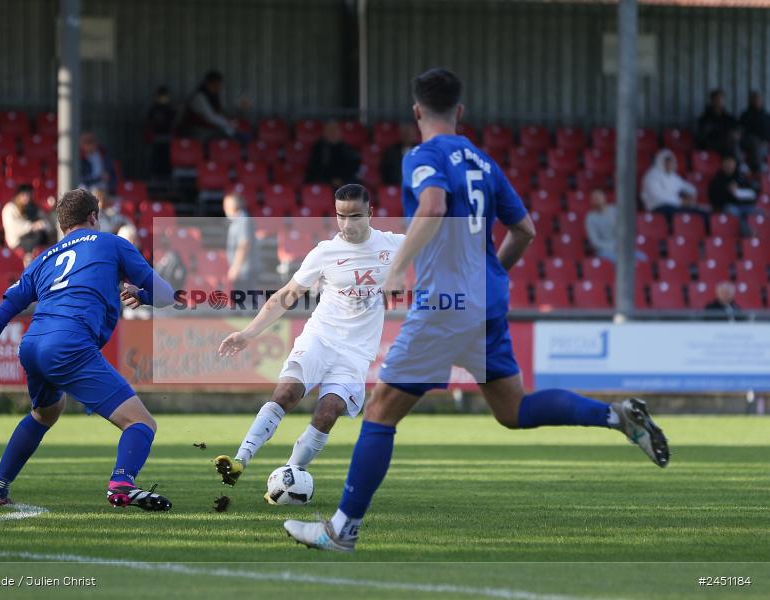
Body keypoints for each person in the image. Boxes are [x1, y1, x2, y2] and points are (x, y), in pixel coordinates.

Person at [283, 68, 670, 553]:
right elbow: (524, 229)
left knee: (380, 412)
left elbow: (432, 205)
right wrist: (492, 277)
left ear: (417, 111)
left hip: (444, 304)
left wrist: (397, 268)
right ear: (460, 112)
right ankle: (614, 417)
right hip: (484, 303)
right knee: (514, 409)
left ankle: (343, 530)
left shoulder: (422, 155)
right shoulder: (486, 163)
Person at [0, 188, 176, 510]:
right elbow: (167, 295)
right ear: (93, 217)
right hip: (69, 344)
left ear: (61, 225)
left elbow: (2, 314)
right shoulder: (112, 243)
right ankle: (121, 484)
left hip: (32, 345)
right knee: (141, 424)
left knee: (46, 412)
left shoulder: (43, 260)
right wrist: (141, 295)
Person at [213, 184, 404, 492]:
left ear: (370, 213)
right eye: (341, 216)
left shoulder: (395, 245)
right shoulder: (325, 252)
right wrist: (249, 333)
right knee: (286, 394)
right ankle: (239, 460)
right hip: (320, 337)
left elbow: (437, 248)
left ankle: (290, 476)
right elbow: (287, 295)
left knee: (328, 411)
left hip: (356, 353)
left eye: (355, 216)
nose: (347, 224)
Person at [640, 149, 707, 222]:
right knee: (683, 215)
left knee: (702, 214)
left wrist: (692, 194)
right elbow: (659, 196)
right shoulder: (652, 175)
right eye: (666, 162)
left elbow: (687, 187)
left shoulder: (673, 176)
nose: (669, 164)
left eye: (671, 162)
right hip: (658, 207)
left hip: (675, 206)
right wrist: (680, 202)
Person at [585, 189, 647, 263]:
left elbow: (626, 230)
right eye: (594, 198)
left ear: (604, 197)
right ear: (591, 201)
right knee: (619, 262)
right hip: (605, 250)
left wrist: (622, 244)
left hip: (622, 248)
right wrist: (613, 246)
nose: (597, 200)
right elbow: (594, 242)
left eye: (599, 197)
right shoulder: (590, 218)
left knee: (643, 258)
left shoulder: (615, 211)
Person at [178, 70, 237, 141]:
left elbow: (220, 114)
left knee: (235, 135)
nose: (218, 87)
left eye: (219, 84)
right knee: (226, 136)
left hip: (209, 129)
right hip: (195, 130)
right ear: (209, 84)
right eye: (215, 84)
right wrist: (228, 123)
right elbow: (210, 117)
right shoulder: (199, 97)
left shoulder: (214, 97)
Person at [709, 155, 759, 236]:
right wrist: (728, 191)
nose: (729, 165)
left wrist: (739, 189)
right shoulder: (717, 179)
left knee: (758, 211)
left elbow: (752, 194)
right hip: (728, 206)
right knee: (733, 212)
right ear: (723, 164)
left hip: (744, 206)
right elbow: (714, 199)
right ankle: (749, 233)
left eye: (731, 163)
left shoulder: (739, 177)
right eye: (727, 163)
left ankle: (763, 234)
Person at [2, 184, 55, 257]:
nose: (26, 197)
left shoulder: (33, 207)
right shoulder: (9, 208)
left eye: (28, 194)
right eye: (23, 194)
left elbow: (44, 220)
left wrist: (43, 225)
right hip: (18, 241)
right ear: (18, 196)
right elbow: (13, 228)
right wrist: (32, 226)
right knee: (38, 237)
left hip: (32, 237)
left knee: (46, 237)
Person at [305, 120, 361, 187]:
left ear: (340, 132)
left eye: (335, 130)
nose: (332, 133)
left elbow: (353, 168)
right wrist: (330, 180)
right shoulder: (318, 148)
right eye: (329, 130)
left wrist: (342, 179)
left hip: (344, 183)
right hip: (324, 183)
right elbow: (315, 169)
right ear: (324, 133)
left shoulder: (348, 149)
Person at [223, 193, 259, 292]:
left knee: (245, 302)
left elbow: (244, 244)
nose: (224, 209)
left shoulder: (243, 221)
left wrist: (235, 267)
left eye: (226, 206)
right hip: (242, 270)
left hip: (244, 271)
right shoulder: (237, 221)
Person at [696, 89, 739, 156]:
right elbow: (703, 135)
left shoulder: (728, 117)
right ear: (712, 100)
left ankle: (737, 163)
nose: (719, 101)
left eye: (721, 98)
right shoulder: (706, 118)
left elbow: (736, 128)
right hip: (712, 144)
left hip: (728, 144)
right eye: (717, 98)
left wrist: (736, 133)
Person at [146, 85, 176, 179]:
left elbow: (173, 123)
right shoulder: (153, 110)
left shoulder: (170, 109)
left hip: (168, 139)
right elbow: (149, 124)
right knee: (156, 160)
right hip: (156, 139)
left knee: (167, 160)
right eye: (161, 96)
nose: (163, 98)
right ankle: (156, 179)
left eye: (165, 96)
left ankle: (167, 180)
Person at [739, 91, 770, 174]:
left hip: (765, 144)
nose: (757, 101)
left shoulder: (766, 116)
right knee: (754, 142)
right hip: (750, 145)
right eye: (754, 99)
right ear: (751, 101)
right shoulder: (745, 116)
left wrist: (766, 142)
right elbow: (742, 133)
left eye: (758, 99)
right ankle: (757, 169)